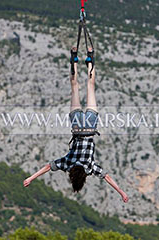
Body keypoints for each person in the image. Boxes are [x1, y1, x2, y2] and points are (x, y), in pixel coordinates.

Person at [23, 47, 128, 203]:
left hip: (90, 127)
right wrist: (30, 178)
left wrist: (121, 192)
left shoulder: (90, 167)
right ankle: (73, 59)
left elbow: (107, 176)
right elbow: (47, 167)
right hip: (78, 126)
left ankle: (90, 57)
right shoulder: (67, 163)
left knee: (90, 86)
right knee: (74, 86)